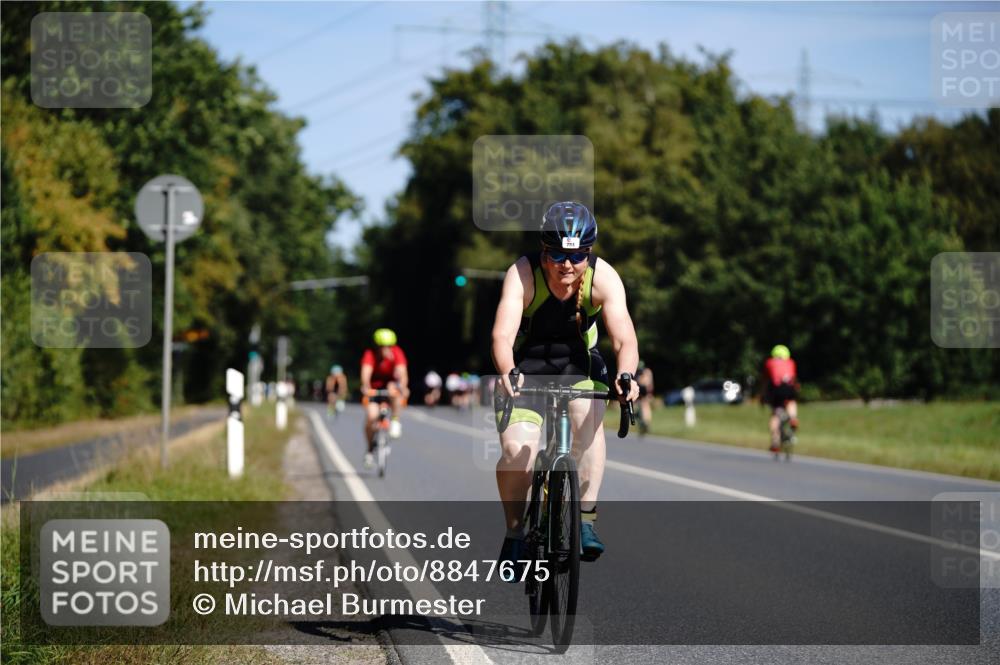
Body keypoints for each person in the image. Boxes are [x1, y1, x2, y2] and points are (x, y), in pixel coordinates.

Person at [491, 201, 640, 571]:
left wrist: (627, 375)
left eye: (578, 256)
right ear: (544, 250)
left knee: (586, 424)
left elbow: (624, 338)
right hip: (526, 368)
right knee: (517, 452)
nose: (567, 265)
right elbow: (502, 334)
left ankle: (585, 520)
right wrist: (508, 370)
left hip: (579, 366)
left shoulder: (603, 277)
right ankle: (514, 533)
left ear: (589, 253)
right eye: (557, 254)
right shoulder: (522, 273)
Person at [360, 328, 409, 468]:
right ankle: (369, 449)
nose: (385, 349)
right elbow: (366, 372)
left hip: (390, 387)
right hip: (374, 390)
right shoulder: (370, 354)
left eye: (388, 346)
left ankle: (395, 420)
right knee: (371, 416)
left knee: (395, 390)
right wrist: (365, 386)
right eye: (382, 346)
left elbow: (402, 372)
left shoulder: (397, 353)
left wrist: (403, 386)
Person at [762, 344, 799, 451]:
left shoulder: (769, 362)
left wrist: (763, 395)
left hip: (776, 389)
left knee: (775, 415)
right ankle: (793, 418)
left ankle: (775, 442)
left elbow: (765, 380)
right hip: (789, 387)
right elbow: (794, 379)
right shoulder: (791, 362)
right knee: (791, 402)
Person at [636, 360, 654, 435]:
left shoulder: (645, 372)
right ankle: (645, 422)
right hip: (642, 390)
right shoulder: (646, 372)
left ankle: (645, 422)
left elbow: (649, 384)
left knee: (644, 406)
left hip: (643, 390)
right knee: (644, 406)